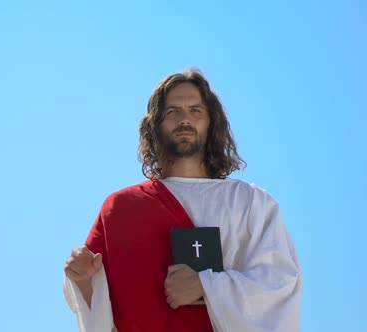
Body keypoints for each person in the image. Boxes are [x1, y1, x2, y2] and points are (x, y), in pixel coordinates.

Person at [63, 69, 302, 332]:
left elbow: (281, 283)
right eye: (172, 111)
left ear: (212, 123)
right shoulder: (122, 208)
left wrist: (205, 286)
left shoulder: (251, 202)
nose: (184, 118)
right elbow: (101, 311)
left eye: (196, 110)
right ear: (155, 125)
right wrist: (84, 281)